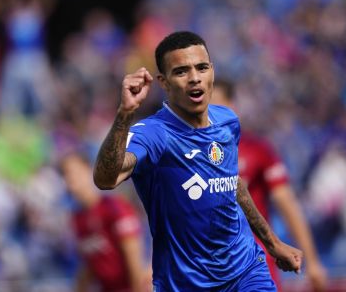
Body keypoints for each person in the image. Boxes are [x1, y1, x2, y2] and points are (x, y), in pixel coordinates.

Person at [93, 31, 302, 291]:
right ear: (164, 82)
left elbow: (232, 184)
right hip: (186, 283)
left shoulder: (227, 121)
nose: (194, 78)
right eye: (181, 71)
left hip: (246, 270)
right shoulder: (154, 133)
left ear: (211, 71)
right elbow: (104, 178)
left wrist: (273, 244)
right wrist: (125, 114)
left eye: (201, 68)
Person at [211, 79, 328, 291]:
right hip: (209, 267)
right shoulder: (188, 155)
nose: (210, 114)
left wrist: (313, 261)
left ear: (232, 106)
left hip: (254, 265)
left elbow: (287, 205)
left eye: (218, 106)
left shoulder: (257, 150)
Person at [59, 151, 151, 292]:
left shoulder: (114, 208)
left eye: (73, 172)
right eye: (64, 174)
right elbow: (91, 264)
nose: (69, 179)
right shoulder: (78, 218)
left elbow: (133, 259)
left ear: (88, 170)